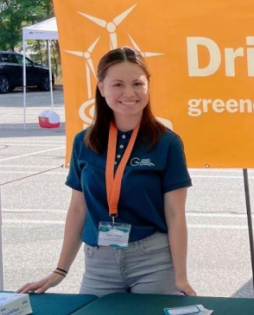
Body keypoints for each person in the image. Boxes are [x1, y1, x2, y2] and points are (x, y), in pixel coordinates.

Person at [18, 47, 195, 297]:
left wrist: (180, 276)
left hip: (153, 262)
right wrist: (60, 270)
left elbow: (175, 213)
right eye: (118, 84)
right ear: (101, 88)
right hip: (98, 263)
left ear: (148, 86)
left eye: (137, 83)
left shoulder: (167, 142)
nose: (129, 93)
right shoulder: (84, 142)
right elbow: (78, 209)